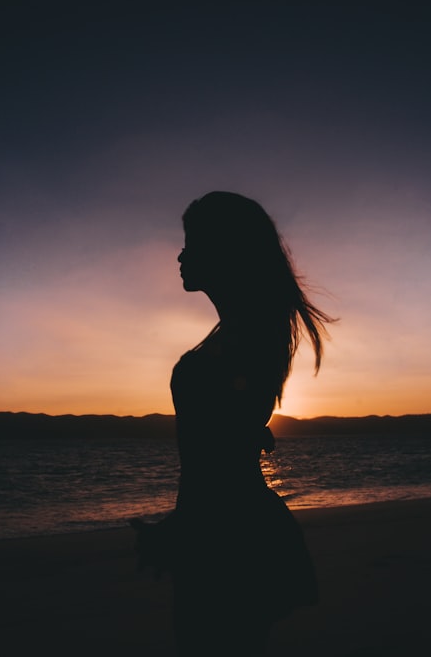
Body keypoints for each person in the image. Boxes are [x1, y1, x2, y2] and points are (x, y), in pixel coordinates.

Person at [132, 191, 333, 655]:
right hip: (235, 529)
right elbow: (229, 440)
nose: (181, 254)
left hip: (225, 542)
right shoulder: (248, 335)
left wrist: (181, 531)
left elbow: (218, 465)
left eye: (192, 242)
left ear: (225, 250)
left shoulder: (240, 342)